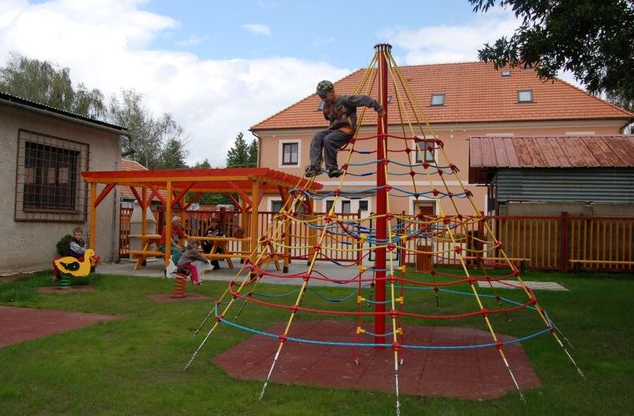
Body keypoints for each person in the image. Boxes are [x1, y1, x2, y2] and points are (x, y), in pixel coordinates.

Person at [305, 80, 386, 178]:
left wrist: (379, 108)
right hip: (334, 130)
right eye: (321, 97)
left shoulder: (345, 100)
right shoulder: (326, 105)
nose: (323, 99)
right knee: (317, 136)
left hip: (346, 130)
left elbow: (364, 99)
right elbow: (327, 117)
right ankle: (315, 166)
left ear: (332, 92)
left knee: (328, 139)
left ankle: (332, 168)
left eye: (324, 96)